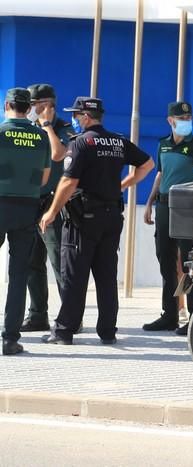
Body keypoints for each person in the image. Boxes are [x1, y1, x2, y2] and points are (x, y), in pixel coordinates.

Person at [39, 97, 154, 345]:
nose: (74, 119)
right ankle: (108, 331)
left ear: (86, 117)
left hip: (83, 219)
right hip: (112, 217)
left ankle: (63, 331)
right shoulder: (118, 140)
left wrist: (51, 212)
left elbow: (69, 182)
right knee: (106, 276)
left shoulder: (81, 143)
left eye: (76, 115)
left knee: (74, 275)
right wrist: (122, 186)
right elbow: (147, 164)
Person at [142, 102, 193, 335]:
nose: (186, 120)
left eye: (189, 117)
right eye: (181, 117)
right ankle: (169, 315)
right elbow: (160, 174)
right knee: (165, 261)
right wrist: (149, 203)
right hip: (165, 207)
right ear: (171, 120)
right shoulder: (163, 145)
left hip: (188, 209)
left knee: (191, 263)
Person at [20, 84, 76, 332]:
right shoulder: (29, 129)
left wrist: (47, 125)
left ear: (48, 105)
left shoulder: (63, 128)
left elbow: (58, 155)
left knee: (59, 264)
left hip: (54, 205)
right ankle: (38, 315)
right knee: (32, 263)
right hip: (31, 202)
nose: (31, 109)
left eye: (35, 104)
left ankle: (70, 318)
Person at [0, 88, 51, 355]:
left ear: (7, 105)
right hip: (27, 208)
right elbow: (43, 179)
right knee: (19, 275)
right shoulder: (41, 136)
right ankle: (10, 339)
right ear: (28, 108)